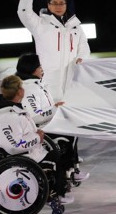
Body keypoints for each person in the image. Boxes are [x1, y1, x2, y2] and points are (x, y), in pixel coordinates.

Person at [0, 75, 74, 204]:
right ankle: (57, 193)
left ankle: (60, 188)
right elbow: (14, 145)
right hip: (25, 154)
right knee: (56, 158)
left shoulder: (10, 108)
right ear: (19, 91)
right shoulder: (7, 117)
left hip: (30, 149)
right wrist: (37, 138)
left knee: (58, 150)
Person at [15, 53, 89, 182]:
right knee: (69, 134)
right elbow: (35, 116)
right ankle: (68, 170)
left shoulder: (38, 84)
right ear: (32, 69)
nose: (42, 69)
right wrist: (55, 109)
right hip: (39, 129)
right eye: (39, 67)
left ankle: (72, 166)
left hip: (46, 124)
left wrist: (56, 107)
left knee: (73, 128)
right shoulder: (29, 89)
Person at [17, 0, 91, 101]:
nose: (58, 6)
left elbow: (84, 46)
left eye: (61, 3)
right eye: (54, 3)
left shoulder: (75, 26)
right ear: (48, 5)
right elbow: (24, 13)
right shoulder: (40, 24)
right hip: (48, 80)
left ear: (66, 5)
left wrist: (81, 59)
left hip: (71, 79)